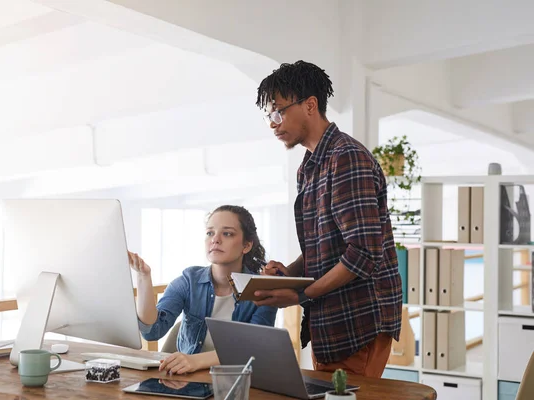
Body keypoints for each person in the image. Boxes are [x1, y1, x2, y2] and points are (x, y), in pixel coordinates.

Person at [252, 60, 402, 378]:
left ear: (310, 105)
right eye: (269, 115)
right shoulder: (307, 169)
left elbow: (362, 254)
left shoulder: (346, 158)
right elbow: (322, 250)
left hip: (357, 323)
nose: (272, 123)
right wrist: (286, 276)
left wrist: (299, 294)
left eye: (278, 111)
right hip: (329, 323)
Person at [129, 205, 277, 375]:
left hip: (238, 382)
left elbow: (254, 349)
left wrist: (195, 361)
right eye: (210, 233)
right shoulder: (189, 281)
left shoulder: (263, 290)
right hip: (188, 382)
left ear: (246, 245)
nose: (215, 239)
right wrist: (143, 277)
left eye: (227, 233)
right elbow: (152, 331)